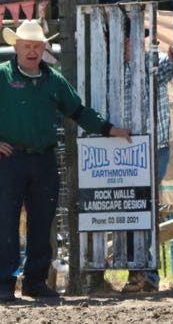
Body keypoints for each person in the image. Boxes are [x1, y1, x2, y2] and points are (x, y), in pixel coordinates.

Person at [0, 21, 131, 303]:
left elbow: (78, 111)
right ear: (16, 47)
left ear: (44, 48)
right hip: (8, 160)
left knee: (42, 222)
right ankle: (4, 283)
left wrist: (109, 129)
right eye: (27, 46)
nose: (32, 51)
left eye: (37, 46)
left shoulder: (54, 80)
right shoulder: (1, 75)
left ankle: (35, 282)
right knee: (5, 222)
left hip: (44, 158)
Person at [122, 35, 173, 293]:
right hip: (126, 150)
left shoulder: (153, 62)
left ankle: (143, 271)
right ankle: (141, 270)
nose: (127, 44)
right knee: (137, 207)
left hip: (154, 147)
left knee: (144, 206)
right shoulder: (112, 69)